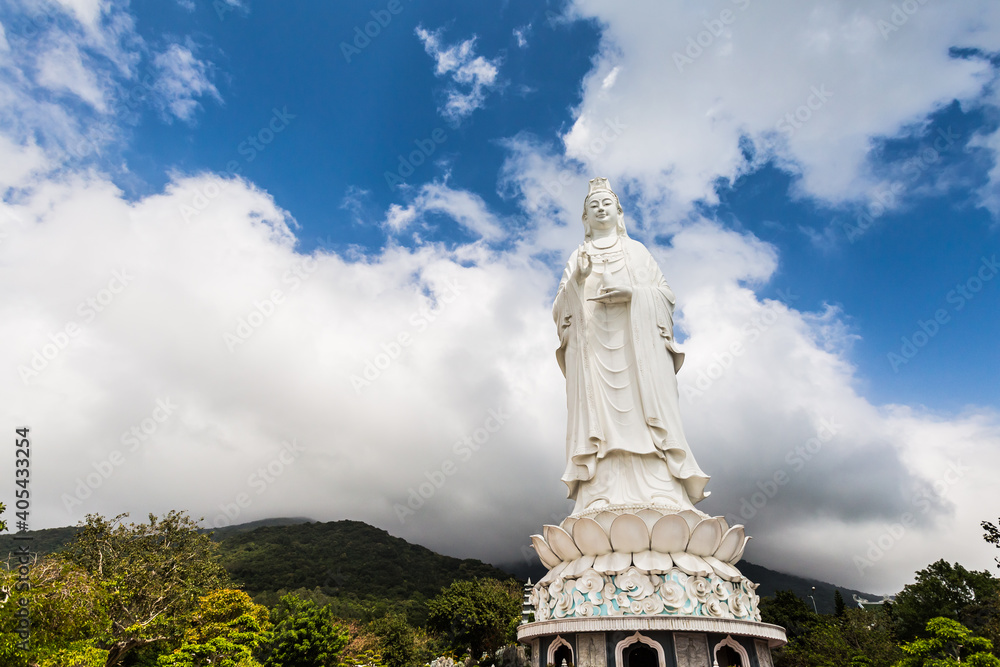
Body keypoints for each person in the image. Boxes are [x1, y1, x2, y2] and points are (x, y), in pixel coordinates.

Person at [554, 177, 710, 515]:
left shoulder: (637, 252)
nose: (600, 209)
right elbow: (560, 311)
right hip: (594, 352)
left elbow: (666, 296)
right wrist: (578, 280)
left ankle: (661, 488)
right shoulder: (578, 256)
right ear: (585, 218)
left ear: (619, 212)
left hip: (638, 352)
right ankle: (600, 490)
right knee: (599, 422)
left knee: (645, 416)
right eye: (593, 206)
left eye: (606, 204)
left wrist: (634, 294)